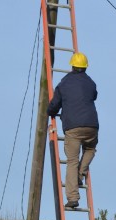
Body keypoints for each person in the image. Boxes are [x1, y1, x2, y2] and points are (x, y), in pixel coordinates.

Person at [47, 52, 98, 210]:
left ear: (72, 65)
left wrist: (50, 112)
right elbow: (94, 96)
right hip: (91, 126)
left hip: (73, 128)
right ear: (85, 67)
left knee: (72, 161)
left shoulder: (64, 83)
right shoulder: (91, 83)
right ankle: (80, 174)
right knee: (90, 149)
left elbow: (54, 105)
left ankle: (73, 198)